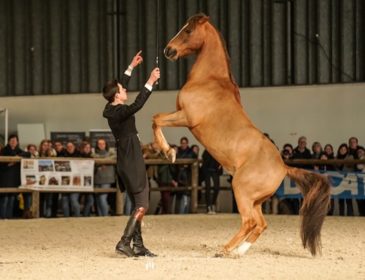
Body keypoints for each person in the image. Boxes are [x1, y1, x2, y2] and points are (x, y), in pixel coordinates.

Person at [102, 51, 160, 257]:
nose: (124, 88)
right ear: (117, 95)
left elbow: (121, 83)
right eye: (122, 89)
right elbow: (138, 104)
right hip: (131, 156)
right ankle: (124, 242)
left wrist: (131, 66)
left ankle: (138, 245)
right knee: (143, 203)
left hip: (127, 156)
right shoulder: (119, 111)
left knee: (138, 203)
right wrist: (150, 81)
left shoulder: (112, 107)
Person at [0, 135, 28, 219]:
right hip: (4, 178)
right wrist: (9, 163)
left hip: (14, 179)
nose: (13, 142)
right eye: (11, 140)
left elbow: (27, 154)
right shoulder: (4, 151)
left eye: (15, 141)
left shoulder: (19, 151)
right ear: (8, 142)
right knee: (4, 199)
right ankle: (2, 217)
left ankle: (9, 217)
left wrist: (16, 157)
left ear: (17, 142)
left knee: (12, 199)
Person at [92, 138, 116, 216]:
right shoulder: (93, 154)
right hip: (96, 179)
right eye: (99, 144)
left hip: (107, 179)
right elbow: (93, 158)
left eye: (103, 143)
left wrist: (101, 161)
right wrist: (105, 162)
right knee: (98, 199)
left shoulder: (112, 154)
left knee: (102, 198)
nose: (101, 145)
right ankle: (100, 216)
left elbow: (114, 156)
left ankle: (105, 216)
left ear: (106, 145)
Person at [201, 149, 222, 214]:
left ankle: (213, 203)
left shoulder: (218, 151)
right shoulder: (206, 150)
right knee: (208, 188)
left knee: (216, 187)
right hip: (207, 170)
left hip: (215, 171)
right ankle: (208, 206)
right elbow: (204, 158)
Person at [336, 143, 354, 216]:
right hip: (339, 181)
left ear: (347, 150)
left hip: (348, 180)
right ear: (339, 150)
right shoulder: (336, 158)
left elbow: (350, 166)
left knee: (348, 199)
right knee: (341, 200)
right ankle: (341, 215)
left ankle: (350, 215)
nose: (343, 150)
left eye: (344, 149)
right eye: (341, 149)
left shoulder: (350, 157)